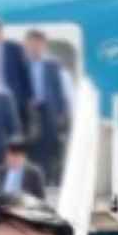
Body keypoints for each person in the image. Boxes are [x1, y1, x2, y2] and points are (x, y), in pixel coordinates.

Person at [24, 29, 71, 183]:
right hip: (28, 111)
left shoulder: (52, 64)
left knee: (48, 147)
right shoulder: (20, 64)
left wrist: (61, 113)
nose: (34, 46)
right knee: (29, 147)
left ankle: (47, 181)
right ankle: (30, 181)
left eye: (38, 43)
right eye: (31, 43)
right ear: (26, 44)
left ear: (43, 44)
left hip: (47, 111)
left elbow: (59, 90)